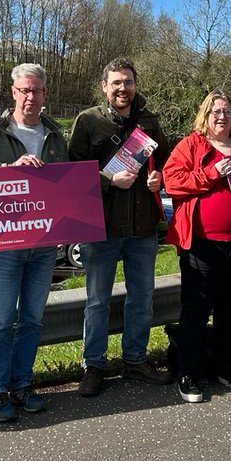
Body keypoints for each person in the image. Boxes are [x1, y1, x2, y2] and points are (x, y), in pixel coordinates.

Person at [0, 63, 69, 422]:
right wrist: (10, 168)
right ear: (13, 92)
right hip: (6, 239)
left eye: (36, 90)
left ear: (44, 94)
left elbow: (65, 182)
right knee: (1, 319)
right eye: (24, 90)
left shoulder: (55, 133)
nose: (30, 96)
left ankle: (22, 383)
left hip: (44, 242)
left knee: (33, 320)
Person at [68, 58, 169, 396]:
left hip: (142, 228)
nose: (122, 88)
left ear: (135, 85)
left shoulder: (149, 122)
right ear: (104, 87)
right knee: (97, 301)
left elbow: (167, 164)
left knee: (142, 297)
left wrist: (159, 177)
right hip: (102, 227)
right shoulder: (88, 121)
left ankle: (135, 360)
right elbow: (72, 174)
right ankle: (93, 365)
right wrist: (110, 180)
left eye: (127, 82)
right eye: (116, 83)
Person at [162, 89, 231, 404]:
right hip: (201, 244)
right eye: (215, 111)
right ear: (205, 116)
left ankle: (227, 367)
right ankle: (188, 373)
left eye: (227, 111)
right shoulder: (191, 145)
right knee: (196, 310)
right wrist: (211, 173)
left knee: (230, 310)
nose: (221, 116)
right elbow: (172, 182)